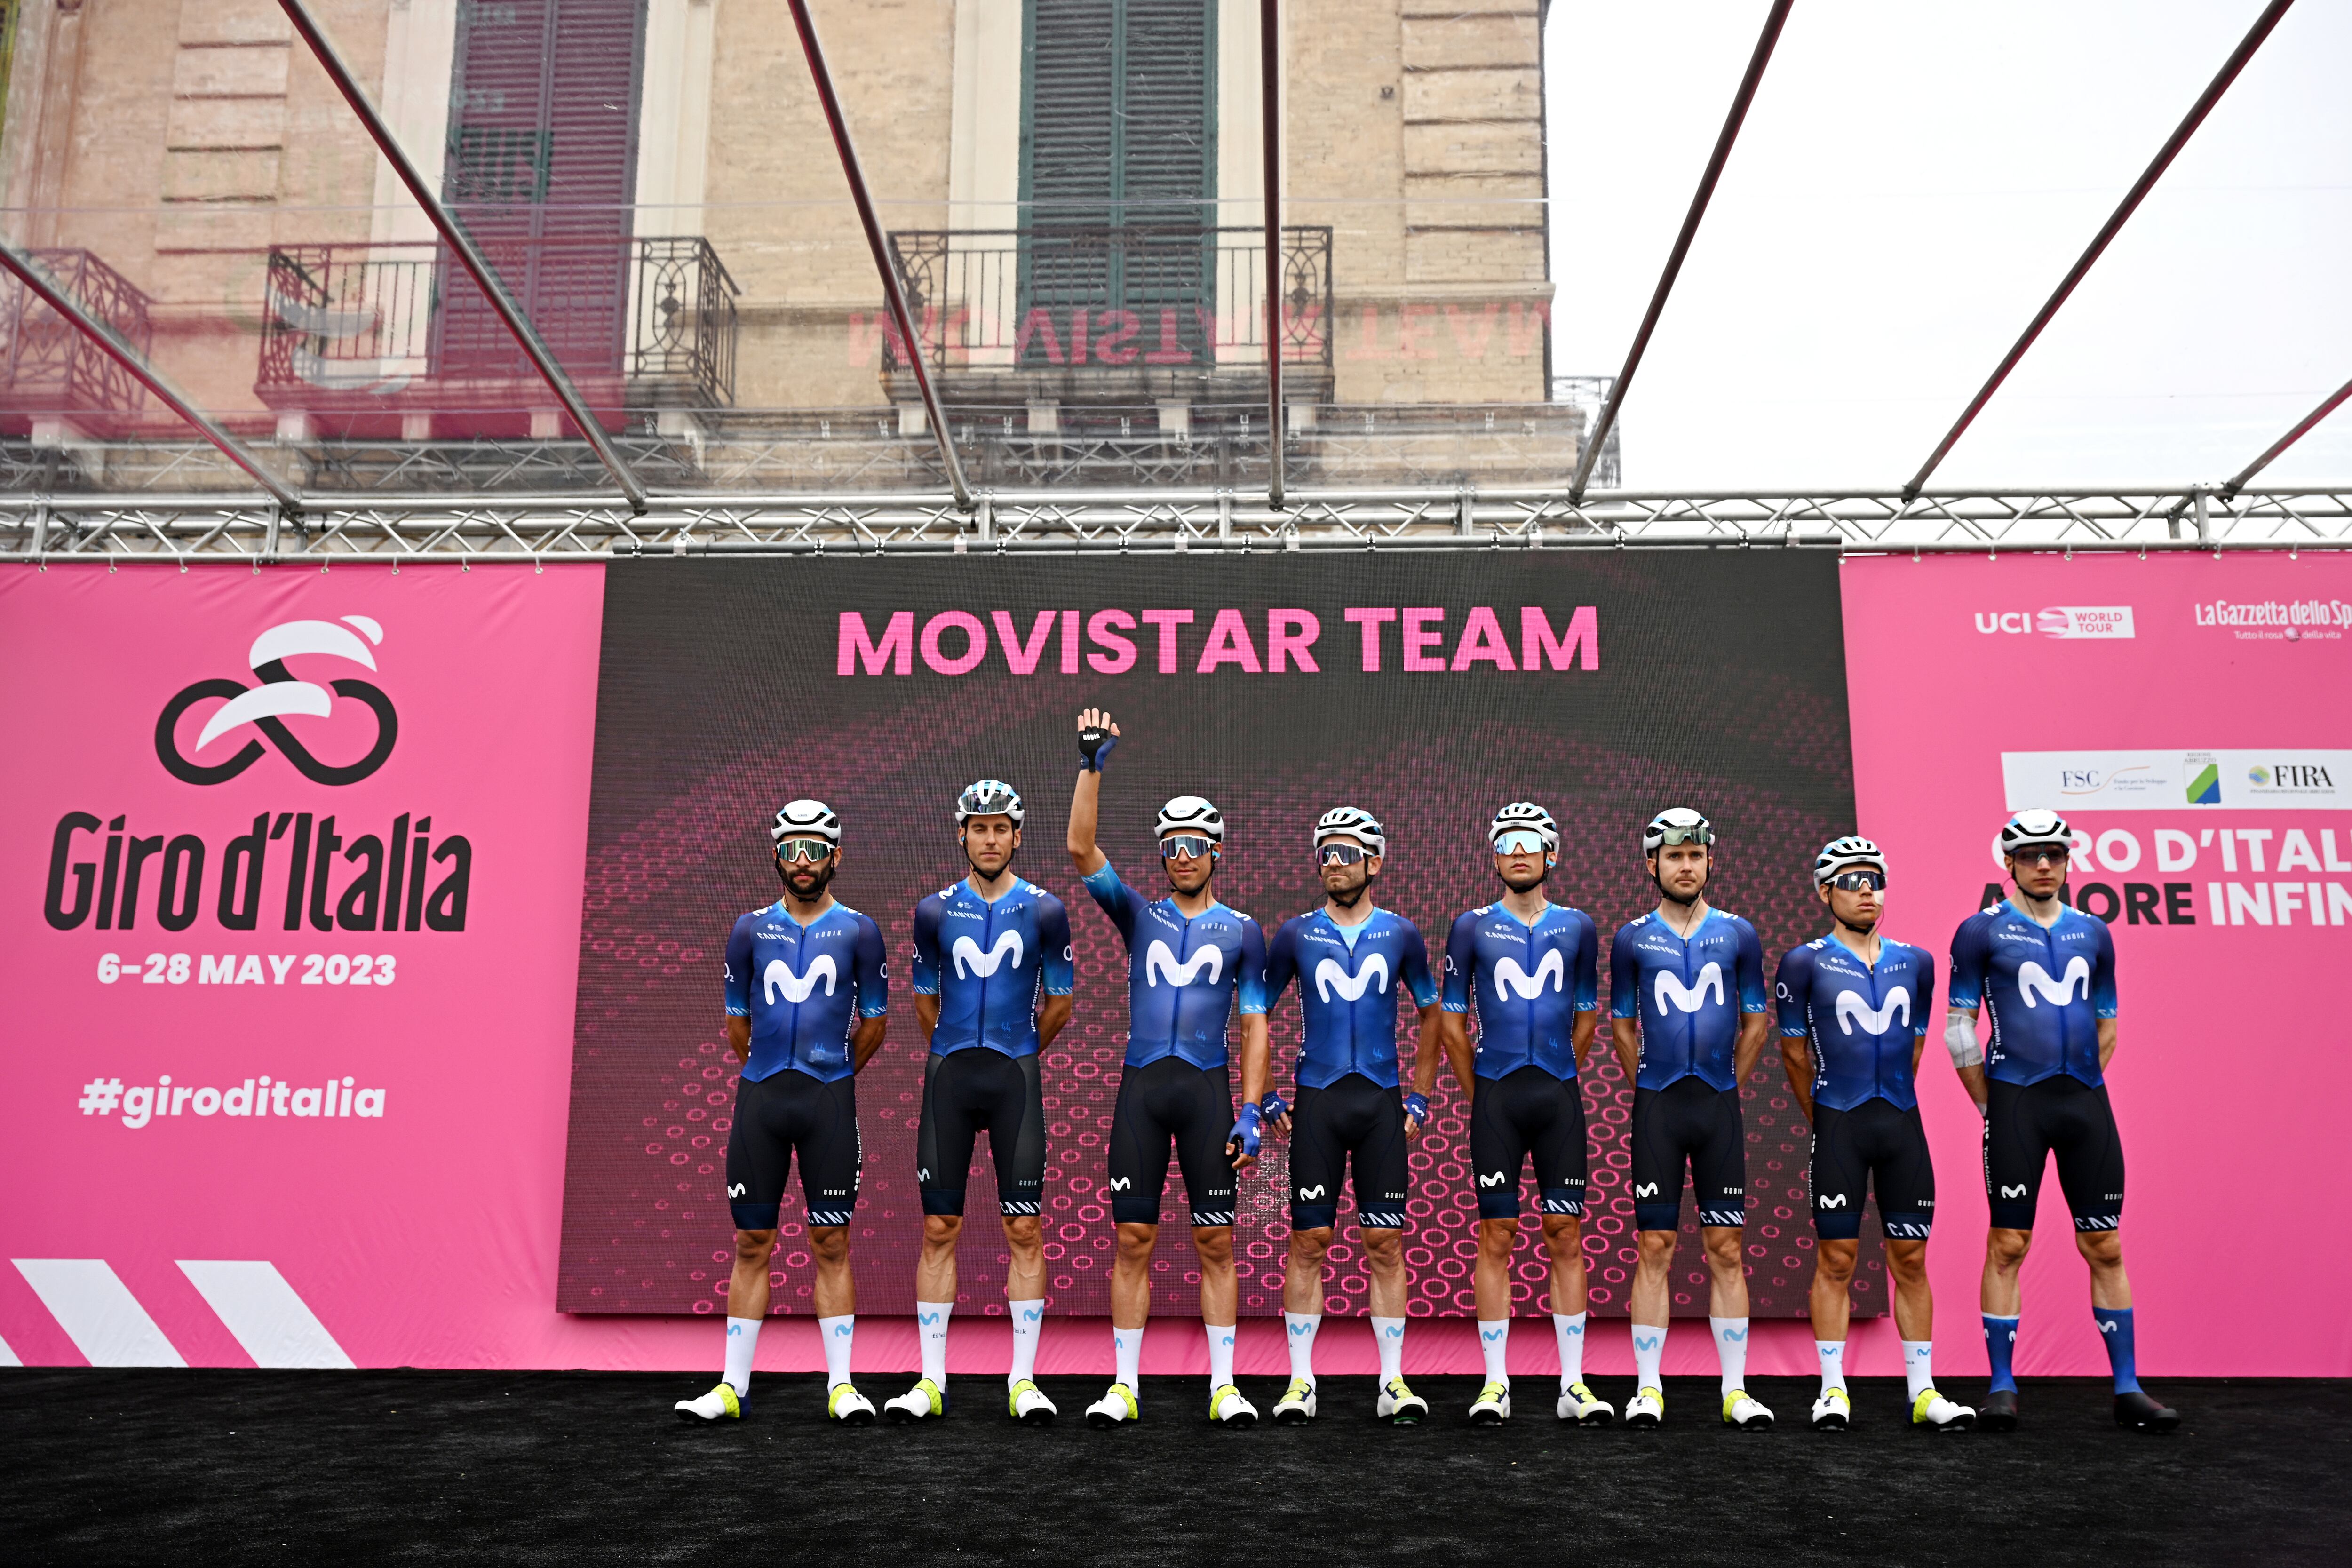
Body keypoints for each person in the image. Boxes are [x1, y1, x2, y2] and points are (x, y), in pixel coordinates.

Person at [1064, 708, 1271, 1428]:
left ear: (1217, 850)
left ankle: (1223, 1384)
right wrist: (1091, 766)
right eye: (1171, 845)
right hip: (1143, 1091)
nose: (1181, 855)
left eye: (1194, 844)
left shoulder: (1244, 931)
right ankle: (1125, 1385)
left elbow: (1255, 1024)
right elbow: (1080, 847)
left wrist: (1250, 1110)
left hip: (1210, 1092)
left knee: (1217, 1240)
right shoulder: (1139, 915)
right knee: (1133, 1238)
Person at [1948, 809, 2177, 1433]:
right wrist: (1989, 1101)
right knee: (2008, 1244)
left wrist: (2085, 1080)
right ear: (2010, 863)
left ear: (2070, 860)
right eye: (2030, 855)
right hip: (2015, 1103)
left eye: (2054, 853)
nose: (2043, 864)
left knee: (2105, 1243)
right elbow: (1958, 1027)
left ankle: (2128, 1387)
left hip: (2084, 1104)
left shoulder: (2095, 932)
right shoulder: (1980, 931)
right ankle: (2002, 1386)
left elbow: (2107, 1023)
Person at [676, 800, 889, 1425]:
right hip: (762, 1097)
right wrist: (775, 1067)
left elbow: (875, 1021)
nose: (803, 862)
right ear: (776, 855)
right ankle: (732, 1388)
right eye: (792, 849)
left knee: (831, 1240)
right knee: (751, 1241)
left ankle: (842, 1386)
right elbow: (737, 1024)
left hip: (828, 1099)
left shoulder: (860, 930)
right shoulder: (748, 929)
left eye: (815, 849)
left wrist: (833, 1071)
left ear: (835, 857)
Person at [883, 780, 1075, 1424]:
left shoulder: (1046, 909)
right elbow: (922, 1001)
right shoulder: (932, 911)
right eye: (979, 827)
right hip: (950, 1079)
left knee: (1025, 1227)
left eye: (1001, 828)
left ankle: (1023, 1380)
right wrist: (960, 1050)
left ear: (1018, 836)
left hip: (1015, 1078)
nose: (990, 838)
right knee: (940, 1228)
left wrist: (1018, 1052)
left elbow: (1061, 1003)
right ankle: (932, 1379)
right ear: (961, 834)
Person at [1775, 836, 1974, 1431]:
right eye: (1851, 880)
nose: (1866, 890)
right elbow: (1791, 1053)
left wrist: (1886, 1101)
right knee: (1836, 1259)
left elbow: (1913, 1045)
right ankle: (1832, 1390)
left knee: (1910, 1258)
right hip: (1838, 1121)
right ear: (1824, 892)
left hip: (1900, 1123)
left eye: (1874, 879)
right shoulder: (1802, 962)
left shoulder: (1916, 962)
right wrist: (1828, 1117)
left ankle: (1923, 1391)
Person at [1260, 806, 1444, 1425]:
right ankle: (1300, 1382)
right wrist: (1261, 1094)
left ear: (1375, 862)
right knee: (1309, 1239)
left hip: (1380, 1105)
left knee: (1385, 1241)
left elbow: (1431, 1015)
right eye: (1325, 853)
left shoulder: (1403, 934)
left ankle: (1392, 1381)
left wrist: (1418, 1096)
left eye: (1344, 853)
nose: (1332, 864)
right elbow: (1256, 1012)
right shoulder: (1293, 933)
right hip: (1317, 1103)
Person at [1433, 802, 1613, 1426]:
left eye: (1528, 842)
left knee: (1566, 1234)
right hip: (1497, 1100)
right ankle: (1494, 1383)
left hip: (1558, 1097)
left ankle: (1573, 1383)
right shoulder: (1471, 926)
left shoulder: (1579, 926)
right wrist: (1480, 1092)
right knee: (1497, 1235)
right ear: (1494, 853)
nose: (1516, 852)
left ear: (1551, 854)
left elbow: (1588, 1013)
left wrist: (1562, 1065)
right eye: (1505, 841)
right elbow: (1452, 1023)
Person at [1609, 806, 1773, 1430]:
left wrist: (1726, 1085)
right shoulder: (1632, 937)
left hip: (1717, 1107)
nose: (1686, 865)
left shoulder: (1739, 933)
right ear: (1653, 863)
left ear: (1710, 860)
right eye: (1674, 856)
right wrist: (1649, 1088)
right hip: (1657, 1107)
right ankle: (1648, 1388)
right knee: (1655, 1245)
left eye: (1695, 855)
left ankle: (1735, 1389)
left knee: (1726, 1248)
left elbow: (1758, 1020)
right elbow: (1623, 1024)